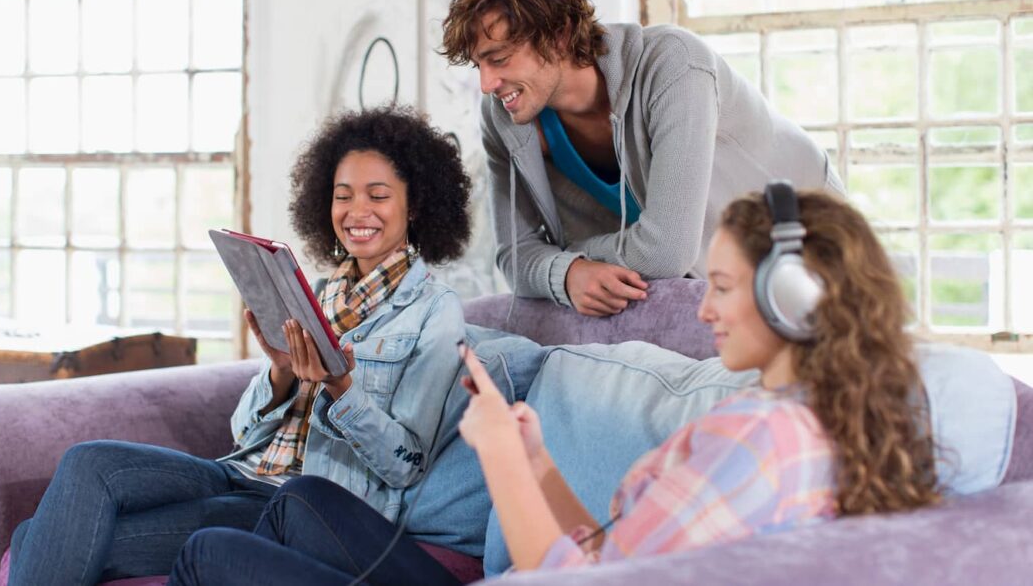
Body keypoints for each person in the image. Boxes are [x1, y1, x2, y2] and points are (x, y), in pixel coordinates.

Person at [167, 183, 938, 584]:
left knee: (207, 553)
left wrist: (498, 452)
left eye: (726, 287)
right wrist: (537, 463)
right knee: (299, 500)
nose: (703, 306)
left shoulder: (758, 441)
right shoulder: (816, 427)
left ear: (793, 301)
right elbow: (613, 553)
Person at [8, 106, 473, 586]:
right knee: (88, 462)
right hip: (238, 473)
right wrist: (280, 374)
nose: (357, 212)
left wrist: (341, 388)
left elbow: (408, 465)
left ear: (415, 206)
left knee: (32, 539)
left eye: (379, 196)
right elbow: (241, 431)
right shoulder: (314, 291)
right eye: (343, 196)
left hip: (293, 506)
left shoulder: (434, 312)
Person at [439, 0, 844, 317]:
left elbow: (665, 250)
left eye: (500, 59)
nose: (488, 83)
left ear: (560, 36)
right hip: (705, 281)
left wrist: (564, 261)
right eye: (479, 65)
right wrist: (568, 275)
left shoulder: (673, 65)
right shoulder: (504, 116)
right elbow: (513, 255)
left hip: (804, 235)